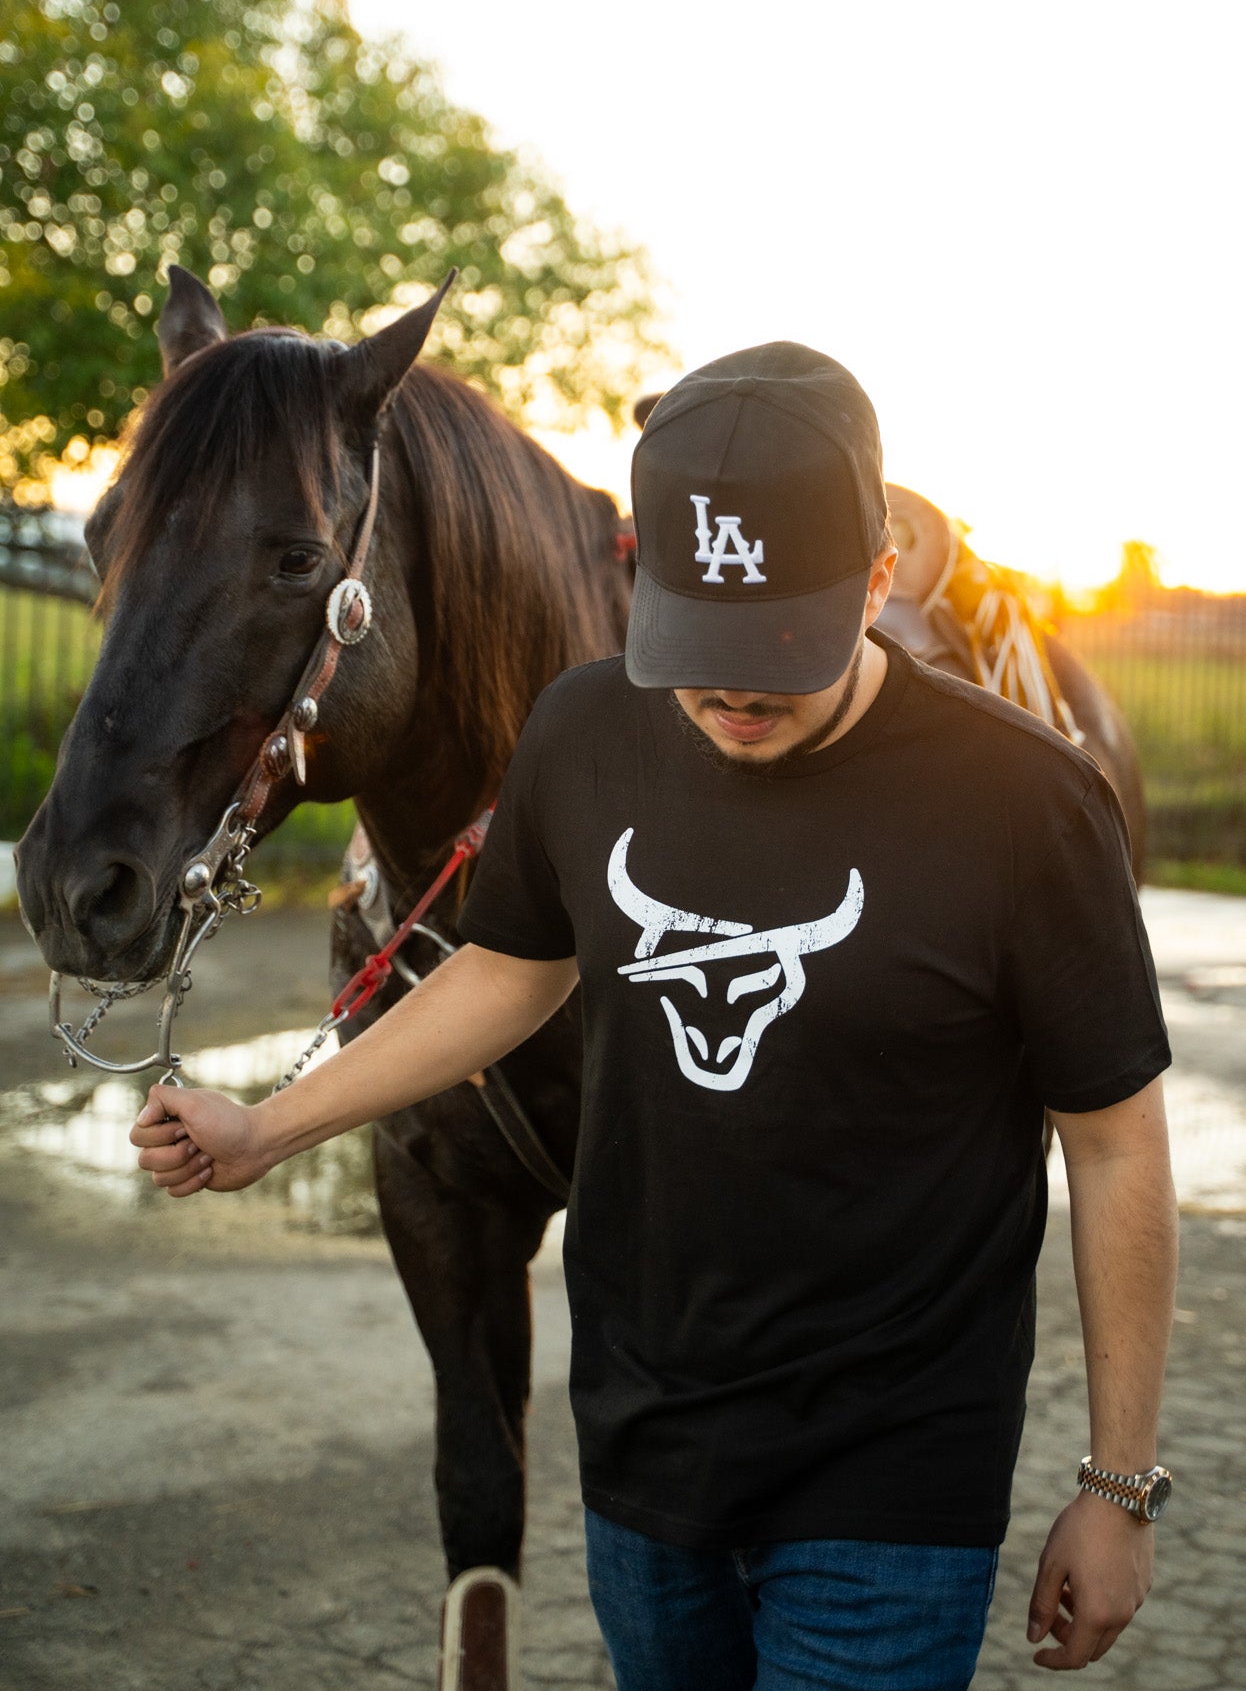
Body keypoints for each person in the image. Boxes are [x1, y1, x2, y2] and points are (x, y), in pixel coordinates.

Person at [131, 343, 1178, 1690]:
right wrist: (269, 1127)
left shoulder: (1025, 804)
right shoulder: (583, 731)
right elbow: (510, 970)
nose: (730, 696)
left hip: (890, 1482)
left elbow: (1113, 1147)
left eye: (775, 656)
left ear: (873, 579)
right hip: (642, 1462)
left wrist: (1119, 1484)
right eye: (698, 648)